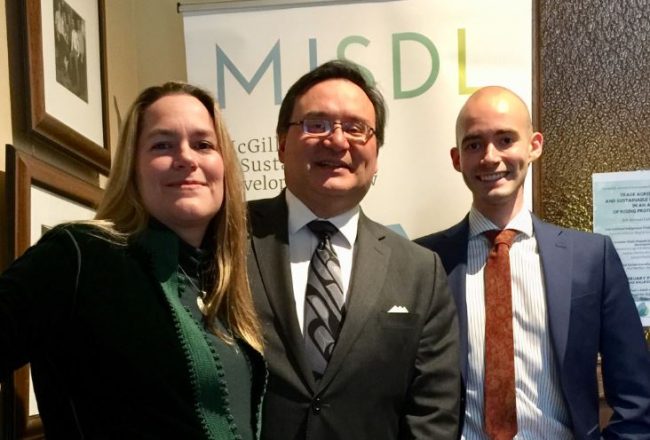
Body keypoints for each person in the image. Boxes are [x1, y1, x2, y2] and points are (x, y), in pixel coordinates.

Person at [0, 82, 266, 439]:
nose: (187, 158)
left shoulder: (221, 278)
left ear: (224, 165)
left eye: (203, 144)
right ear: (133, 168)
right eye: (162, 145)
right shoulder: (79, 254)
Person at [416, 85, 650, 439]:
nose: (490, 157)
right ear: (456, 158)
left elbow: (637, 398)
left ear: (534, 146)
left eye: (505, 139)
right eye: (474, 144)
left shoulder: (591, 258)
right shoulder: (426, 262)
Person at [247, 59, 460, 440]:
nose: (337, 141)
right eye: (317, 124)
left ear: (376, 154)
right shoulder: (229, 236)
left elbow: (433, 413)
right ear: (281, 143)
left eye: (356, 128)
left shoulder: (419, 270)